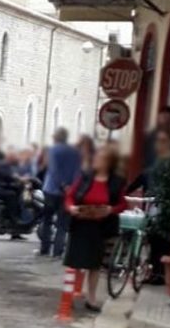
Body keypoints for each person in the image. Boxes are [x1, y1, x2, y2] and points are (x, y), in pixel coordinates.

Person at [64, 145, 128, 313]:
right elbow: (70, 196)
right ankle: (69, 294)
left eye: (100, 158)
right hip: (81, 223)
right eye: (96, 157)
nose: (96, 160)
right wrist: (72, 208)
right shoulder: (85, 177)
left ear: (108, 162)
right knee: (76, 261)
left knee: (94, 264)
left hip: (100, 227)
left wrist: (110, 210)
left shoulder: (116, 182)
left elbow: (122, 204)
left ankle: (91, 297)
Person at [130, 126, 170, 284]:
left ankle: (160, 273)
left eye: (163, 141)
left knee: (163, 240)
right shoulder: (154, 164)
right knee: (152, 239)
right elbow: (143, 178)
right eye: (158, 141)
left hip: (166, 208)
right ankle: (154, 271)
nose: (159, 145)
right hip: (151, 206)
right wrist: (127, 192)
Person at [40, 128, 82, 259]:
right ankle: (57, 252)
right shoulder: (75, 152)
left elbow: (53, 169)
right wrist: (70, 187)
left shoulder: (52, 150)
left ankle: (44, 249)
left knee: (47, 220)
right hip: (67, 193)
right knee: (62, 223)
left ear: (55, 138)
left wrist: (62, 184)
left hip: (51, 190)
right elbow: (78, 171)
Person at [143, 106, 170, 170]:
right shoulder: (154, 135)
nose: (166, 121)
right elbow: (150, 155)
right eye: (164, 117)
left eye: (169, 119)